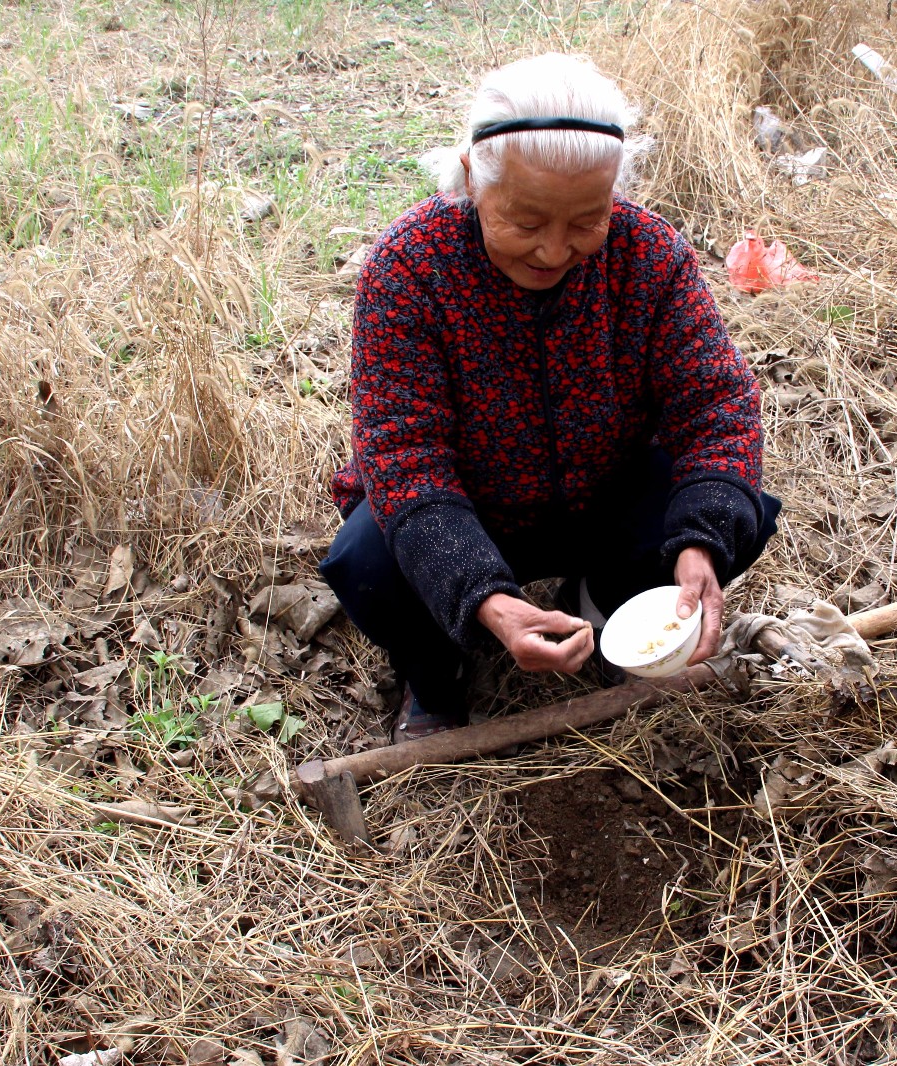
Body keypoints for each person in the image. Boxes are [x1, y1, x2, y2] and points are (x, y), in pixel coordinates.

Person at [319, 53, 780, 742]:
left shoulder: (650, 256)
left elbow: (717, 406)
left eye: (586, 221)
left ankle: (603, 603)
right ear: (474, 179)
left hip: (599, 496)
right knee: (367, 561)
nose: (555, 250)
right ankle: (438, 671)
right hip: (468, 511)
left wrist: (701, 547)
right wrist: (486, 597)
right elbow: (405, 459)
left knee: (729, 508)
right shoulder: (409, 268)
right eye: (527, 221)